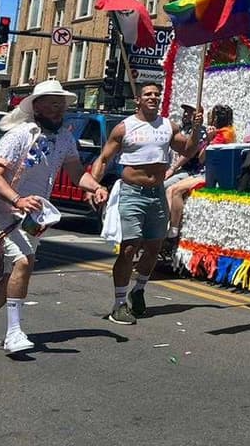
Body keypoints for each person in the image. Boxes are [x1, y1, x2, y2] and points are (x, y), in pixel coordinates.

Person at [0, 79, 107, 353]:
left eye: (60, 104)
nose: (57, 109)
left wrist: (97, 187)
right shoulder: (19, 135)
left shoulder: (65, 137)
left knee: (17, 272)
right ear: (37, 107)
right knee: (23, 261)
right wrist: (17, 199)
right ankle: (14, 333)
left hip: (31, 216)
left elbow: (77, 174)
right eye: (52, 104)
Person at [90, 82, 208, 325]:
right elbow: (103, 158)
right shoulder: (125, 128)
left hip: (157, 194)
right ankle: (119, 304)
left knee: (154, 248)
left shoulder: (167, 126)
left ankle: (139, 289)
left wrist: (196, 129)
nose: (153, 97)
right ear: (138, 100)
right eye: (148, 94)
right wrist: (93, 186)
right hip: (132, 193)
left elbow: (189, 148)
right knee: (130, 249)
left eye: (157, 94)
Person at [165, 104, 235, 244]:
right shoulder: (224, 132)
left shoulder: (221, 135)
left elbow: (203, 158)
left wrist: (209, 139)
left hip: (209, 174)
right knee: (169, 189)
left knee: (176, 190)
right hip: (204, 172)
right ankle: (167, 222)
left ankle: (173, 228)